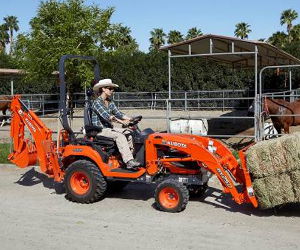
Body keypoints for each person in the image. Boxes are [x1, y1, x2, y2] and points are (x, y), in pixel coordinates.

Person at [91, 78, 141, 170]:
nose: (112, 90)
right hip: (99, 130)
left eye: (112, 89)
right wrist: (122, 122)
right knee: (120, 136)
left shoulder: (110, 102)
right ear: (103, 89)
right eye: (110, 88)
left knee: (129, 133)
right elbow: (108, 116)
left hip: (109, 129)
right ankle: (129, 161)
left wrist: (131, 119)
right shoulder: (97, 103)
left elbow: (119, 113)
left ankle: (128, 158)